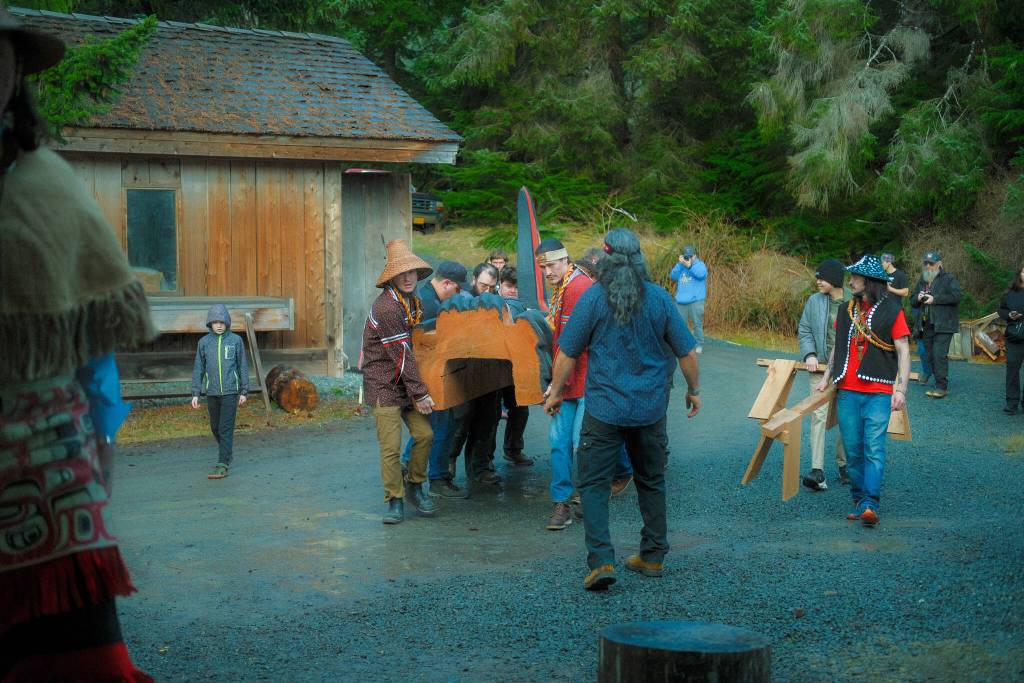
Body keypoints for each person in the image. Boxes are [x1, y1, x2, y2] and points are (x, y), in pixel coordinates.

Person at [0, 9, 156, 678]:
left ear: (15, 72)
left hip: (46, 472)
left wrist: (104, 442)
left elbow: (93, 347)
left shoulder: (48, 186)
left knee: (78, 662)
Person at [544, 228, 700, 591]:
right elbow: (687, 353)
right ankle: (653, 556)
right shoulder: (660, 299)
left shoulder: (594, 299)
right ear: (640, 256)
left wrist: (554, 392)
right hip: (649, 411)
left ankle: (601, 563)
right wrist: (694, 390)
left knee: (594, 485)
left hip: (603, 412)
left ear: (605, 256)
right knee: (651, 481)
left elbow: (567, 352)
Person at [814, 255, 911, 527]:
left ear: (869, 281)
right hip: (847, 390)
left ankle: (870, 503)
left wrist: (900, 389)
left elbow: (903, 351)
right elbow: (838, 348)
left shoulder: (892, 310)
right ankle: (859, 502)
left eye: (855, 277)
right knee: (854, 451)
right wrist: (826, 376)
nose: (850, 281)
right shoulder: (846, 310)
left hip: (879, 390)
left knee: (874, 449)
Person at [361, 240, 439, 524]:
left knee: (425, 435)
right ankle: (394, 500)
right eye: (402, 273)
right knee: (391, 447)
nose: (408, 277)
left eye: (412, 272)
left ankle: (415, 486)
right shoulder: (386, 308)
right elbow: (403, 355)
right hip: (383, 384)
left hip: (405, 383)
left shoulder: (412, 301)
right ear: (391, 277)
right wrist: (421, 393)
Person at [536, 238, 594, 531]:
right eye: (543, 267)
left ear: (565, 260)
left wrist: (555, 390)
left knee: (580, 444)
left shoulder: (578, 288)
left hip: (584, 381)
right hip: (566, 380)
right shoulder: (563, 286)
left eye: (551, 265)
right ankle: (563, 500)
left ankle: (586, 497)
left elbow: (572, 347)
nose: (547, 272)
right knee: (559, 443)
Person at [402, 261, 471, 499]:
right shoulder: (429, 306)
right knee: (439, 425)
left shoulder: (425, 297)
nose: (459, 293)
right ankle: (435, 477)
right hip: (429, 375)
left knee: (431, 426)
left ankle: (409, 469)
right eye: (457, 288)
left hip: (428, 374)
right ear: (447, 283)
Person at [798, 259, 849, 490]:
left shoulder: (853, 301)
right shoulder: (814, 301)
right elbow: (805, 329)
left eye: (822, 278)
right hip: (819, 367)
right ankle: (817, 470)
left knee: (847, 419)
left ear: (835, 280)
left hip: (849, 371)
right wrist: (809, 354)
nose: (817, 282)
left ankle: (845, 464)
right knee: (818, 416)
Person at [190, 304, 249, 479]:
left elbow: (242, 366)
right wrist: (196, 392)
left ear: (227, 323)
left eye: (222, 321)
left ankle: (222, 464)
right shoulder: (204, 343)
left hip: (231, 392)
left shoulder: (235, 341)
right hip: (212, 392)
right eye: (215, 322)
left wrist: (244, 391)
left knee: (225, 428)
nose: (219, 325)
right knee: (215, 427)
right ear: (210, 323)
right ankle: (227, 452)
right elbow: (198, 368)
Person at [910, 251, 962, 399]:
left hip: (944, 323)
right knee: (930, 355)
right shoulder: (922, 280)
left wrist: (935, 299)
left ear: (939, 264)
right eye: (925, 263)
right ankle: (938, 381)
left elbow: (957, 296)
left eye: (931, 263)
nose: (928, 266)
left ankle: (941, 386)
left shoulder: (948, 278)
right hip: (927, 323)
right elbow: (912, 299)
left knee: (939, 355)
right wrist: (918, 298)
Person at [496, 267, 534, 468]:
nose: (513, 291)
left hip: (515, 368)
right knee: (488, 415)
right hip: (493, 367)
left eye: (517, 287)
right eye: (509, 286)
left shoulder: (526, 307)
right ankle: (482, 461)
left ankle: (513, 450)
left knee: (520, 410)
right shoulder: (491, 304)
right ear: (500, 286)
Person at [669, 245, 708, 353]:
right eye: (686, 256)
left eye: (690, 256)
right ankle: (682, 345)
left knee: (697, 323)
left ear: (694, 256)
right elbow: (672, 276)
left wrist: (690, 266)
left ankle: (698, 344)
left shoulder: (700, 265)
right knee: (680, 325)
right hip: (681, 301)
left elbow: (701, 274)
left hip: (696, 300)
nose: (688, 258)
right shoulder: (681, 266)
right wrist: (680, 264)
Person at [998, 265, 1024, 415]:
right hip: (1015, 335)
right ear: (1019, 274)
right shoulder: (1010, 293)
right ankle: (1012, 402)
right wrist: (1009, 315)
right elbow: (1001, 310)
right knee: (1013, 369)